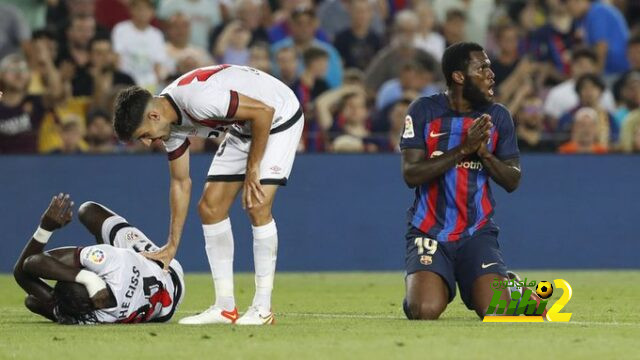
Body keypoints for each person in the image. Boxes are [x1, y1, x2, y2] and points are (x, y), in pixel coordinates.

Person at [112, 64, 304, 325]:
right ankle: (225, 308)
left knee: (257, 204)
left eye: (144, 135)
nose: (147, 143)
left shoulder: (198, 99)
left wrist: (253, 168)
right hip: (245, 125)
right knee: (210, 208)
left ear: (154, 116)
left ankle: (262, 309)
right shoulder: (169, 125)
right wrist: (171, 246)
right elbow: (180, 183)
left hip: (279, 115)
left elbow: (263, 111)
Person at [399, 42, 543, 320]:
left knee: (495, 309)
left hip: (476, 231)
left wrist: (485, 154)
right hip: (428, 231)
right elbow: (411, 174)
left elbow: (512, 180)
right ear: (459, 76)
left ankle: (509, 285)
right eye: (482, 67)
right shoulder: (423, 111)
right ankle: (427, 281)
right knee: (423, 310)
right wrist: (463, 149)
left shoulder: (498, 116)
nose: (491, 74)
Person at [13, 193, 185, 324]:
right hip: (166, 269)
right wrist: (87, 277)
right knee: (88, 211)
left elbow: (28, 286)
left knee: (36, 300)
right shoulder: (113, 262)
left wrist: (45, 228)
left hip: (166, 303)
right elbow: (31, 264)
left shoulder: (90, 318)